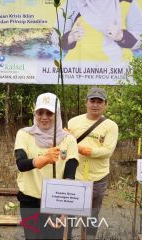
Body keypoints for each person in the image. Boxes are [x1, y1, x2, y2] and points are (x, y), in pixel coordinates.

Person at [15, 92, 79, 240]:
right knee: (31, 237)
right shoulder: (24, 134)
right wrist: (45, 158)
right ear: (35, 113)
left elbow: (70, 174)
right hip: (30, 201)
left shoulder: (68, 140)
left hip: (57, 202)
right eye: (40, 112)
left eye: (49, 113)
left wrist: (66, 207)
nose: (44, 117)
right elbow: (21, 164)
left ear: (57, 115)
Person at [68, 87, 118, 239]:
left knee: (93, 214)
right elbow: (67, 145)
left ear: (105, 105)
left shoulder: (111, 126)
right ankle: (68, 236)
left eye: (99, 102)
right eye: (92, 101)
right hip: (75, 174)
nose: (95, 105)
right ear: (86, 102)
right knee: (70, 212)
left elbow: (107, 151)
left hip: (98, 177)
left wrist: (84, 150)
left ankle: (89, 237)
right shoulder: (73, 121)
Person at [51, 0, 142, 62]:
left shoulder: (128, 1)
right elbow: (56, 38)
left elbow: (140, 38)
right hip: (80, 69)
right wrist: (70, 37)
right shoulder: (73, 2)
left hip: (117, 68)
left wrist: (121, 36)